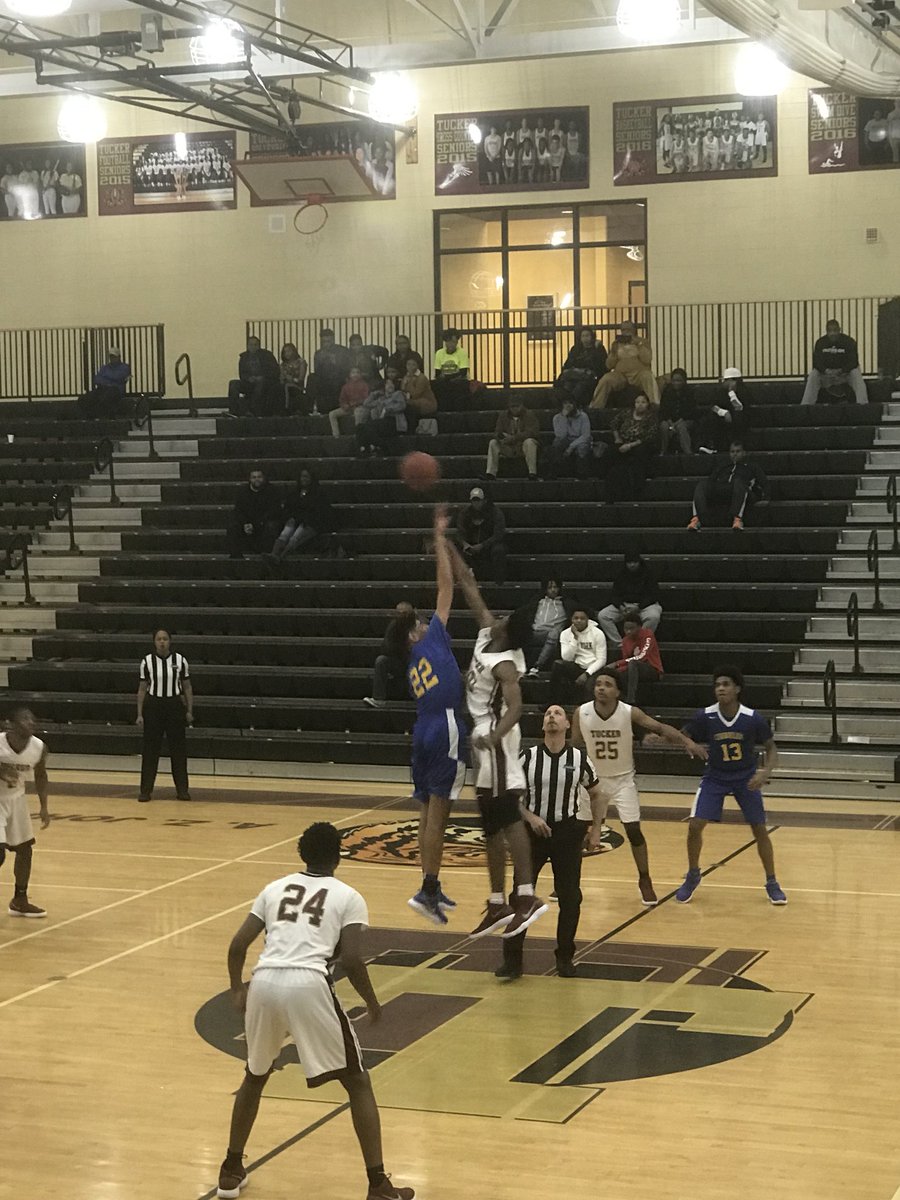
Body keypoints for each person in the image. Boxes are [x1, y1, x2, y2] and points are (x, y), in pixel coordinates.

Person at [215, 821, 414, 1200]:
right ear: (339, 855)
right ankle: (378, 1185)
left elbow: (238, 945)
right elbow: (351, 959)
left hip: (264, 981)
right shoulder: (348, 896)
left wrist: (237, 988)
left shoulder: (274, 888)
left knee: (255, 1075)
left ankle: (230, 1169)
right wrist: (372, 1002)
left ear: (302, 854)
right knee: (357, 1082)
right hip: (308, 983)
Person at [446, 540, 546, 939]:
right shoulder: (489, 633)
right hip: (483, 740)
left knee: (507, 816)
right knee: (489, 823)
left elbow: (518, 708)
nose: (498, 616)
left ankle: (527, 896)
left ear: (508, 632)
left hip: (497, 743)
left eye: (506, 618)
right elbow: (468, 584)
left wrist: (493, 737)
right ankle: (496, 901)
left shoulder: (505, 665)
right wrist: (446, 544)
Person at [382, 511, 468, 926]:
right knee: (440, 814)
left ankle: (428, 885)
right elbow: (446, 586)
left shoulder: (411, 659)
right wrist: (439, 539)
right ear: (414, 635)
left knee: (425, 810)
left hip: (423, 729)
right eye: (419, 623)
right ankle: (428, 888)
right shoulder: (430, 639)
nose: (425, 622)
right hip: (446, 726)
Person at [572, 669, 705, 907]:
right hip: (593, 781)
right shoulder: (581, 712)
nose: (601, 688)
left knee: (634, 831)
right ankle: (569, 881)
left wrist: (687, 741)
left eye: (608, 684)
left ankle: (645, 879)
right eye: (598, 684)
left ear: (618, 691)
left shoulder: (628, 711)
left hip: (623, 780)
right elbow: (573, 747)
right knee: (578, 832)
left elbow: (660, 728)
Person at [497, 705, 607, 981]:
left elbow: (597, 794)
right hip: (532, 835)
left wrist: (595, 829)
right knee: (520, 896)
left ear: (568, 725)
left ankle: (565, 957)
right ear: (542, 726)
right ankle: (512, 961)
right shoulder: (528, 757)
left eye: (557, 714)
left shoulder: (579, 758)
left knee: (570, 898)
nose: (551, 717)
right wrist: (530, 817)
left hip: (567, 833)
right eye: (548, 714)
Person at [675, 667, 787, 906]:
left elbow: (771, 748)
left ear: (737, 689)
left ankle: (772, 882)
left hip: (745, 778)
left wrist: (765, 772)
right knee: (695, 825)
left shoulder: (752, 718)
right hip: (715, 776)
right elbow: (682, 734)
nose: (721, 689)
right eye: (717, 685)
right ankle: (693, 875)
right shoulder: (705, 715)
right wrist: (685, 743)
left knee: (759, 829)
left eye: (726, 684)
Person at [0, 706, 50, 918]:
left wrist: (44, 806)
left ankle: (19, 900)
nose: (30, 722)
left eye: (32, 719)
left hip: (17, 799)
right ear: (10, 724)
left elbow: (41, 775)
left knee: (25, 850)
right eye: (24, 719)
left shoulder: (39, 747)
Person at [136, 629, 193, 803]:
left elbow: (187, 687)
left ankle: (182, 790)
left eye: (165, 639)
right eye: (159, 639)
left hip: (174, 705)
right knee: (150, 750)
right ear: (154, 641)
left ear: (170, 641)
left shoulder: (180, 660)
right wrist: (139, 713)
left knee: (178, 750)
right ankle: (145, 791)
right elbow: (142, 689)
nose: (162, 642)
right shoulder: (147, 661)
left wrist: (189, 710)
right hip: (154, 706)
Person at [687, 439, 768, 532]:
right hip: (724, 489)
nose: (735, 454)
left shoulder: (752, 467)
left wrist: (766, 498)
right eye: (732, 452)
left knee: (739, 483)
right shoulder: (723, 466)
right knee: (702, 485)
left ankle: (737, 519)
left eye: (738, 451)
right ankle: (696, 519)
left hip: (743, 491)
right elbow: (711, 480)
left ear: (744, 453)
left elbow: (764, 483)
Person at [597, 552, 662, 657]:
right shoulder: (620, 574)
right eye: (629, 562)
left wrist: (639, 607)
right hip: (625, 606)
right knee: (603, 615)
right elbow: (614, 595)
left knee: (653, 616)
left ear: (639, 562)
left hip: (645, 606)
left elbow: (654, 595)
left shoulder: (649, 574)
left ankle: (640, 642)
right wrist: (620, 606)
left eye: (634, 562)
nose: (632, 565)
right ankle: (620, 643)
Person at [269, 468, 334, 560]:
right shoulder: (294, 493)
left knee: (295, 537)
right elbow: (288, 508)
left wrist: (304, 519)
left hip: (311, 523)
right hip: (296, 521)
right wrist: (290, 518)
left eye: (306, 476)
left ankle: (281, 558)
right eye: (302, 476)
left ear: (311, 478)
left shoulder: (319, 494)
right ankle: (274, 554)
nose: (303, 479)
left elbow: (321, 512)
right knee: (284, 534)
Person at [590, 321, 660, 408]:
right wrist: (613, 353)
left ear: (634, 330)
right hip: (620, 375)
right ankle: (596, 407)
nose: (626, 332)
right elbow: (609, 365)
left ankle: (655, 405)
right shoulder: (616, 344)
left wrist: (639, 345)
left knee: (648, 376)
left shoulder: (643, 342)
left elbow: (647, 360)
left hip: (638, 374)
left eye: (628, 329)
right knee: (606, 379)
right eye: (623, 330)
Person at [801, 319, 868, 406]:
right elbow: (816, 363)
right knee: (813, 375)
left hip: (844, 375)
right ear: (827, 331)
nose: (833, 333)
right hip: (826, 376)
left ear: (839, 330)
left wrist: (841, 370)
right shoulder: (820, 343)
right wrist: (826, 371)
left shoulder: (849, 342)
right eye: (830, 331)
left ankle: (863, 404)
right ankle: (806, 406)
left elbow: (854, 362)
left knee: (856, 373)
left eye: (835, 330)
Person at [605, 394, 659, 501]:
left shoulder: (651, 417)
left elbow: (649, 435)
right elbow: (613, 424)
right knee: (611, 451)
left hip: (640, 444)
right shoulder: (626, 413)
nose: (640, 405)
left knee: (640, 452)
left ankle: (637, 488)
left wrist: (630, 445)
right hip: (624, 442)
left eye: (643, 402)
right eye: (637, 402)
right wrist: (617, 438)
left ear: (647, 404)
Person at [364, 601, 417, 709]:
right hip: (401, 661)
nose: (403, 617)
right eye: (400, 614)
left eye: (405, 614)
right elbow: (386, 647)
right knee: (381, 661)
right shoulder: (394, 626)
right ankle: (378, 698)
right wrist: (403, 647)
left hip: (418, 663)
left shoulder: (420, 625)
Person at [549, 609, 607, 705]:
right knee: (558, 665)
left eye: (582, 618)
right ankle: (553, 702)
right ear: (571, 620)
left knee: (589, 688)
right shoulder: (565, 634)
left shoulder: (598, 633)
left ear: (587, 619)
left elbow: (602, 660)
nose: (579, 621)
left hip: (593, 669)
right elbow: (566, 658)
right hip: (577, 665)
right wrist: (575, 638)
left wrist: (587, 674)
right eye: (576, 618)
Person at [453, 487, 507, 586]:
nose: (476, 503)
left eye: (478, 500)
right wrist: (465, 544)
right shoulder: (464, 513)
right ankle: (457, 579)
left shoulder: (495, 512)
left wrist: (483, 545)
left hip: (488, 546)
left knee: (499, 550)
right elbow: (459, 533)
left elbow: (498, 534)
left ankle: (499, 581)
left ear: (484, 500)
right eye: (474, 501)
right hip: (470, 546)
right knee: (454, 548)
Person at [226, 467, 282, 559]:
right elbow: (238, 510)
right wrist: (245, 523)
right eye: (254, 477)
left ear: (264, 478)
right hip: (247, 524)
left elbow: (273, 511)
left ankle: (266, 555)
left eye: (259, 477)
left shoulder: (272, 490)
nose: (257, 479)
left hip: (264, 523)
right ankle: (236, 557)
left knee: (272, 525)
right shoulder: (242, 492)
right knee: (233, 526)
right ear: (250, 479)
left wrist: (256, 524)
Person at [611, 610, 663, 705]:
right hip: (632, 669)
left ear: (639, 627)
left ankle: (631, 700)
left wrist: (617, 664)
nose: (628, 631)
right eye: (626, 628)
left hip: (651, 669)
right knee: (617, 673)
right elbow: (626, 659)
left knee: (633, 664)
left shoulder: (648, 635)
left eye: (632, 628)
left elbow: (642, 656)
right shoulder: (625, 640)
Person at [696, 366, 749, 453]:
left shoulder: (744, 392)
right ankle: (710, 446)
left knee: (738, 416)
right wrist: (723, 412)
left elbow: (740, 407)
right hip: (722, 419)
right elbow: (713, 406)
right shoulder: (719, 392)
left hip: (740, 418)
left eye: (726, 380)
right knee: (708, 418)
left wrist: (732, 393)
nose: (724, 383)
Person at [485, 397, 540, 481]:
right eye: (512, 406)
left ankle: (532, 472)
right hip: (508, 446)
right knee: (493, 443)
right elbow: (497, 431)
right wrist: (501, 437)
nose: (515, 409)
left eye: (517, 406)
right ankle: (490, 473)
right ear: (509, 407)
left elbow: (533, 432)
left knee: (530, 442)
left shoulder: (529, 415)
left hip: (522, 446)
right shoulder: (503, 416)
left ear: (522, 406)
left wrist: (514, 437)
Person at [227, 336, 281, 418]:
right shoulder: (243, 357)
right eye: (251, 345)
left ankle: (253, 410)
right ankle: (234, 410)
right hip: (249, 383)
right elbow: (242, 374)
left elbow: (275, 371)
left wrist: (262, 377)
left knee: (260, 383)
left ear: (259, 346)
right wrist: (248, 378)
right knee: (233, 384)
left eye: (255, 345)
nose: (253, 347)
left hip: (265, 382)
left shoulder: (267, 355)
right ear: (247, 346)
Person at [555, 328, 608, 408]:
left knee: (580, 387)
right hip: (574, 376)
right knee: (567, 385)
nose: (585, 338)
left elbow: (602, 366)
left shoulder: (598, 348)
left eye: (587, 336)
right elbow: (567, 364)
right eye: (583, 336)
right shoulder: (576, 349)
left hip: (590, 377)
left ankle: (571, 405)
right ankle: (568, 405)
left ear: (592, 337)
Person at [526, 578, 569, 675]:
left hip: (551, 633)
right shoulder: (538, 602)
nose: (553, 590)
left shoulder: (566, 603)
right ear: (545, 589)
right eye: (550, 587)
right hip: (534, 632)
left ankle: (537, 666)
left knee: (553, 634)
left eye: (555, 587)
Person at [355, 378, 407, 456]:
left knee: (368, 427)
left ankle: (381, 446)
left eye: (392, 383)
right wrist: (373, 394)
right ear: (384, 387)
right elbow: (366, 404)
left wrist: (387, 409)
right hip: (382, 421)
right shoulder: (381, 399)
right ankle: (364, 449)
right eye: (388, 384)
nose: (390, 385)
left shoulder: (398, 394)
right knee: (360, 427)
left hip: (394, 421)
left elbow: (402, 405)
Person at [77, 347, 131, 418]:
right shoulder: (105, 367)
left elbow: (119, 377)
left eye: (114, 356)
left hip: (116, 390)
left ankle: (98, 415)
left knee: (105, 397)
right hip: (103, 389)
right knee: (84, 398)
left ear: (119, 357)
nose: (112, 358)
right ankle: (89, 416)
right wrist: (111, 380)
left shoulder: (124, 367)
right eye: (111, 356)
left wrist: (105, 378)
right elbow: (96, 379)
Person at [307, 328, 351, 412]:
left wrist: (335, 362)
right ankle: (310, 408)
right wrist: (321, 361)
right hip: (324, 378)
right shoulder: (318, 353)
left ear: (333, 340)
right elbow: (317, 371)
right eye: (324, 342)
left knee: (336, 380)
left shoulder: (342, 350)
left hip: (339, 377)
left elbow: (347, 368)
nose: (327, 344)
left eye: (329, 341)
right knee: (311, 378)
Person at [548, 397, 591, 477]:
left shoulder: (583, 416)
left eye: (570, 403)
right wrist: (564, 418)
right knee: (557, 442)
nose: (568, 405)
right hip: (566, 439)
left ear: (575, 405)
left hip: (580, 440)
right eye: (565, 403)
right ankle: (555, 472)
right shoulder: (556, 418)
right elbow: (560, 435)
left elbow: (586, 435)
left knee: (582, 447)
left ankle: (582, 474)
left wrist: (571, 447)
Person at [658, 368, 697, 455]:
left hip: (686, 420)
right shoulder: (667, 392)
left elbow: (691, 411)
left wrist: (677, 423)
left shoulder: (690, 392)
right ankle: (663, 451)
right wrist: (670, 423)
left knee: (681, 427)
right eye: (674, 380)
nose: (676, 383)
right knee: (664, 426)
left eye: (679, 380)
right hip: (669, 420)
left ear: (684, 381)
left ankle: (688, 452)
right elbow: (663, 410)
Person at [328, 366, 370, 438]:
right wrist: (344, 405)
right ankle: (336, 435)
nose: (355, 374)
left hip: (360, 407)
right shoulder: (345, 386)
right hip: (348, 408)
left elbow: (366, 398)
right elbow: (342, 399)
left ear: (361, 375)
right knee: (332, 414)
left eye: (357, 372)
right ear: (350, 375)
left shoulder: (364, 385)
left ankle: (358, 434)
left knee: (358, 413)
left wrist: (355, 403)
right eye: (353, 373)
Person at [400, 358, 437, 433]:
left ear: (417, 366)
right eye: (408, 364)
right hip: (413, 401)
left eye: (413, 364)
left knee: (409, 408)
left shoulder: (421, 378)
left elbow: (416, 394)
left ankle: (411, 431)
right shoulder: (406, 377)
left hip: (426, 403)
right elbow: (403, 390)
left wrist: (408, 383)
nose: (410, 367)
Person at [432, 330, 470, 404]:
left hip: (459, 381)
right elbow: (437, 372)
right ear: (445, 342)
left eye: (454, 342)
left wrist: (447, 377)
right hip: (444, 381)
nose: (451, 344)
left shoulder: (462, 353)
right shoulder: (439, 353)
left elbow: (463, 373)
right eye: (449, 342)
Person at [279, 343, 308, 413]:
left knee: (286, 387)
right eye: (285, 352)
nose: (287, 353)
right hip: (284, 386)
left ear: (294, 351)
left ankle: (286, 408)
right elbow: (281, 379)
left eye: (289, 351)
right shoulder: (282, 365)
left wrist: (292, 379)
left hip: (297, 387)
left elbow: (301, 379)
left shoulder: (301, 362)